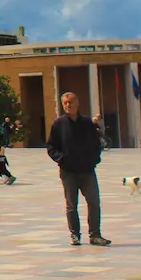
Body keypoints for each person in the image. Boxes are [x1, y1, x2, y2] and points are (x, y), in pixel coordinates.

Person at [47, 92, 110, 247]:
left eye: (71, 102)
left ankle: (95, 235)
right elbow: (51, 147)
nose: (68, 105)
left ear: (77, 103)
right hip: (69, 172)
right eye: (66, 103)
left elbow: (97, 143)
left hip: (87, 170)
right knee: (71, 205)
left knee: (94, 202)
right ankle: (75, 234)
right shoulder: (58, 124)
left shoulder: (87, 123)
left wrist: (94, 159)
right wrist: (62, 159)